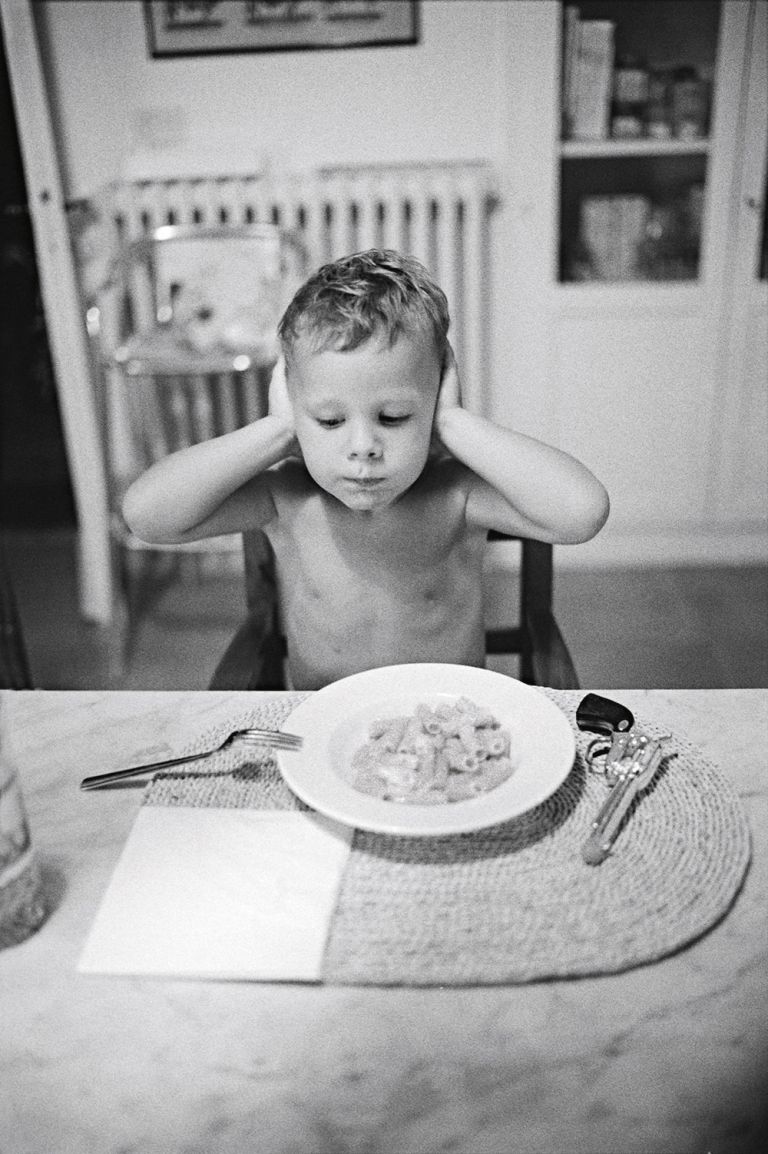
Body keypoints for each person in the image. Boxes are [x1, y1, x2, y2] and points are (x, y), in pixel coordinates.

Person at [123, 249, 609, 690]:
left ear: (435, 399)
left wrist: (453, 424)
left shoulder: (455, 496)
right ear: (295, 407)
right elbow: (147, 516)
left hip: (445, 725)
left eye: (394, 417)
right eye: (330, 420)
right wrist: (276, 431)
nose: (362, 448)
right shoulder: (287, 498)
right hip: (323, 733)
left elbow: (581, 513)